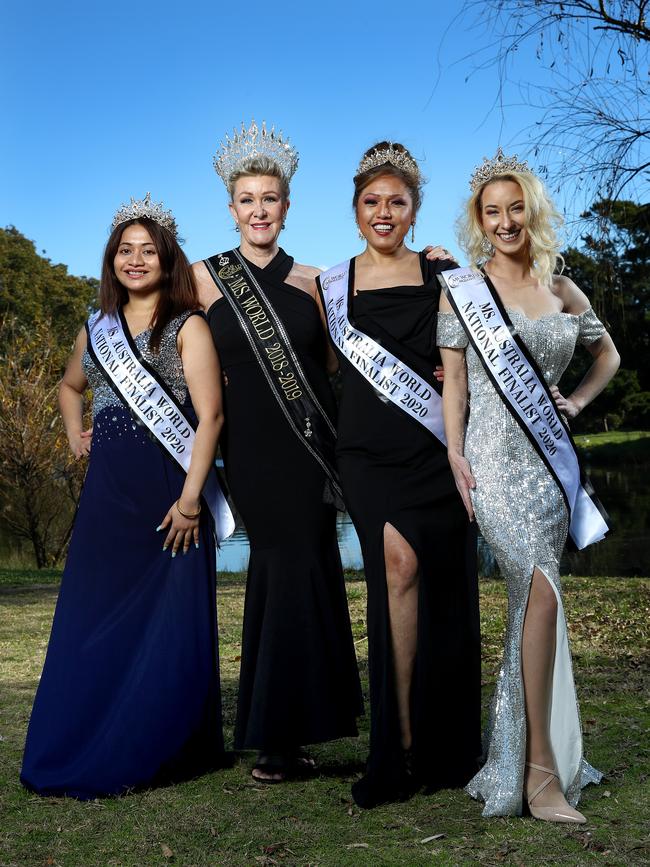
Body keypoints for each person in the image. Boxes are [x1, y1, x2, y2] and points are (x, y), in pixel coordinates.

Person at [21, 194, 230, 798]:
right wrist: (74, 436)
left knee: (168, 618)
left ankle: (162, 740)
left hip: (169, 492)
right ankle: (87, 731)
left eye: (147, 250)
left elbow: (211, 418)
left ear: (167, 259)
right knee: (91, 613)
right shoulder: (97, 326)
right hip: (109, 492)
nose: (135, 260)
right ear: (112, 260)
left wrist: (192, 501)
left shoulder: (188, 325)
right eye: (124, 250)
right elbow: (69, 385)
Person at [437, 149, 620, 822]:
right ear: (478, 221)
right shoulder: (462, 289)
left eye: (517, 208)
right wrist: (455, 456)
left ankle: (517, 761)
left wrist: (575, 402)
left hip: (547, 470)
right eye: (493, 211)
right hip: (489, 462)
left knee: (529, 604)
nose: (506, 221)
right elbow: (453, 383)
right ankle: (540, 777)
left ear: (532, 211)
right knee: (540, 593)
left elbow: (609, 354)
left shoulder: (560, 287)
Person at [191, 121, 364, 782]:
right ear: (231, 208)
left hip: (312, 453)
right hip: (253, 453)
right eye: (247, 199)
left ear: (286, 208)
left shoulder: (318, 281)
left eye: (270, 198)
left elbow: (332, 367)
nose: (259, 210)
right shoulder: (205, 280)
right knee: (275, 569)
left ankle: (300, 729)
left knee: (315, 569)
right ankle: (272, 734)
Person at [317, 142, 482, 808]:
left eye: (397, 201)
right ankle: (398, 745)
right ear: (355, 209)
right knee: (397, 566)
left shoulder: (444, 274)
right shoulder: (335, 283)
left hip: (434, 450)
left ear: (414, 210)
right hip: (366, 454)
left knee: (440, 582)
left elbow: (467, 361)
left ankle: (442, 748)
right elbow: (324, 368)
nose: (383, 212)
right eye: (371, 201)